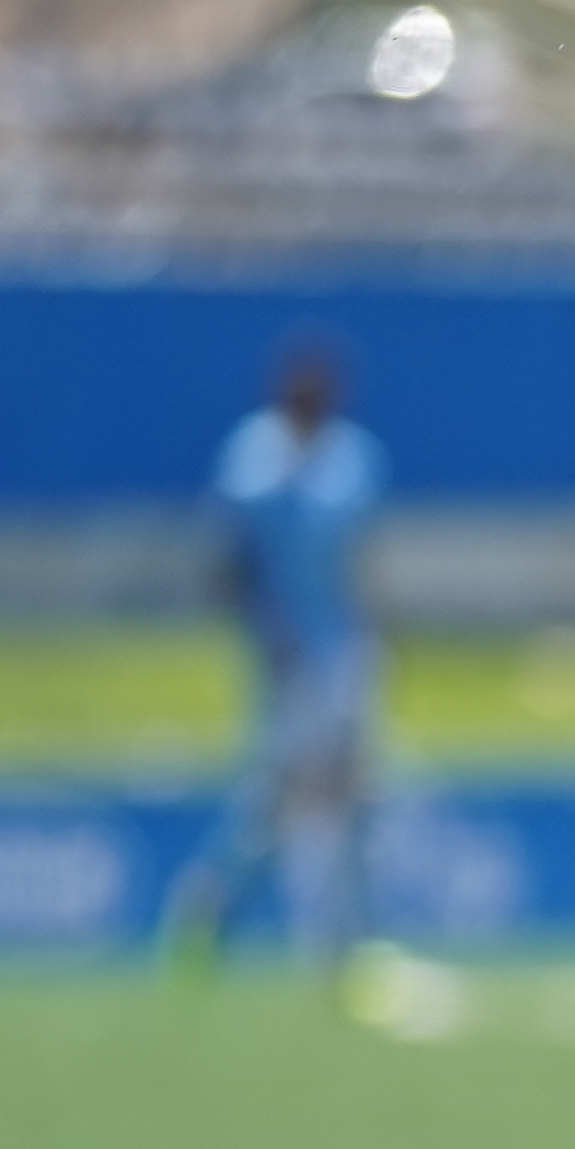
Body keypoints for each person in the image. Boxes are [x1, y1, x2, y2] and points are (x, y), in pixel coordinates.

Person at [161, 334, 386, 983]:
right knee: (276, 805)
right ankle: (210, 904)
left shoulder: (353, 459)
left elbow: (362, 558)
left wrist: (374, 634)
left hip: (343, 651)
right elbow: (225, 565)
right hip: (285, 658)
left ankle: (345, 945)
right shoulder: (251, 460)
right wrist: (266, 628)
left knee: (353, 793)